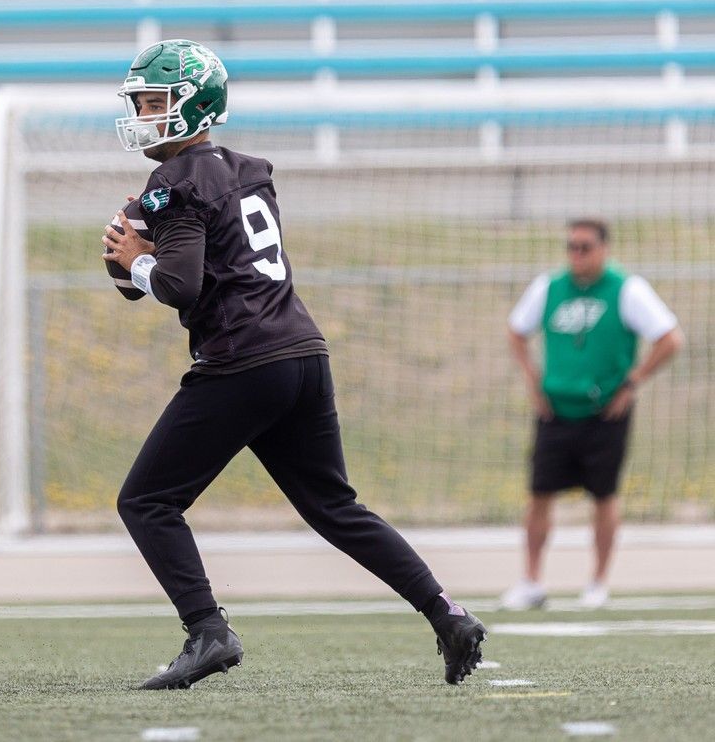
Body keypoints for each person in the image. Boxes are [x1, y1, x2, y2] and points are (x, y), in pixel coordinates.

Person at [102, 39, 486, 690]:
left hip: (242, 358)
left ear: (192, 105)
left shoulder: (173, 182)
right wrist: (143, 256)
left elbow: (179, 286)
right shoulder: (247, 171)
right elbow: (201, 264)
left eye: (153, 102)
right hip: (302, 353)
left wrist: (137, 260)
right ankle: (447, 614)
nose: (142, 115)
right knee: (335, 505)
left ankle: (208, 631)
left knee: (146, 501)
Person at [501, 218, 683, 610]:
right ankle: (531, 581)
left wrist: (632, 382)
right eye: (571, 247)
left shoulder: (627, 289)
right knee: (539, 493)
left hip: (605, 414)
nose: (577, 255)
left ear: (603, 249)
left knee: (604, 495)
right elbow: (516, 331)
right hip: (556, 411)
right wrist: (533, 380)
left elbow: (670, 338)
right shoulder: (549, 287)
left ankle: (597, 583)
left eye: (585, 247)